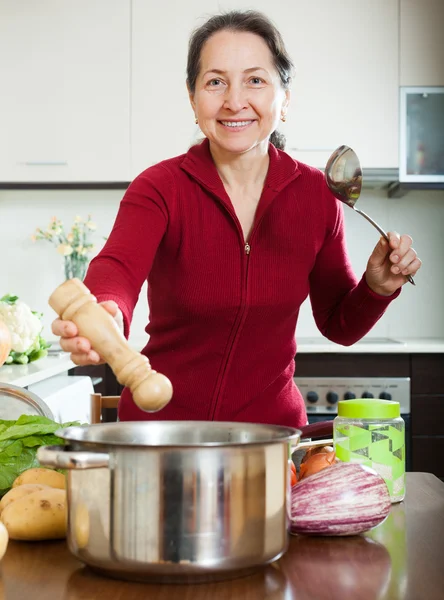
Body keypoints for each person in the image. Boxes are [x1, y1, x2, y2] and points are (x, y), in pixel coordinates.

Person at [51, 10, 421, 429]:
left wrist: (375, 288)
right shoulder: (159, 187)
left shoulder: (319, 195)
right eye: (215, 82)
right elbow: (117, 267)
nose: (234, 100)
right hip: (161, 435)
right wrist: (107, 316)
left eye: (255, 80)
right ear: (193, 99)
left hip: (271, 441)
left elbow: (340, 325)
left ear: (284, 99)